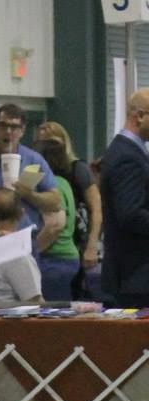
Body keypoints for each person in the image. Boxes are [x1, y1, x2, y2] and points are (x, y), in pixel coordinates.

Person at [36, 119, 104, 296]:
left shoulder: (77, 169)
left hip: (74, 242)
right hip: (61, 246)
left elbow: (96, 209)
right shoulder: (44, 176)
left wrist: (92, 246)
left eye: (52, 143)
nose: (48, 149)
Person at [100, 88, 149, 308]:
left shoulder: (128, 152)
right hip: (135, 277)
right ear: (139, 116)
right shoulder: (128, 157)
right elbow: (130, 215)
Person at [0, 103, 61, 240]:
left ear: (22, 131)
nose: (8, 131)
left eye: (14, 127)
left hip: (24, 236)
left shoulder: (33, 160)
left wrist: (29, 194)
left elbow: (55, 202)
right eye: (3, 125)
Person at [34, 140, 80, 301]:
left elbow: (55, 224)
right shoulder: (64, 183)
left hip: (54, 258)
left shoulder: (51, 186)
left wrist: (33, 250)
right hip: (67, 257)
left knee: (51, 317)